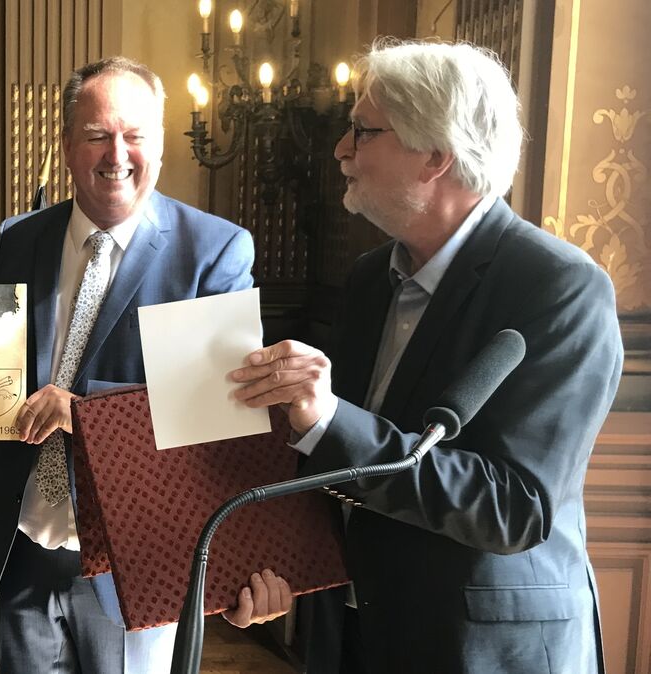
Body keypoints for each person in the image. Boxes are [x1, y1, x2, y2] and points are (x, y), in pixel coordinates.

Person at [230, 40, 623, 673]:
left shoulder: (558, 288)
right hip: (355, 636)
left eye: (362, 132)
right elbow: (342, 471)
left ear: (435, 155)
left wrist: (328, 418)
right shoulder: (366, 281)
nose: (340, 151)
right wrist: (265, 564)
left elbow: (513, 507)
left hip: (483, 650)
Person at [0, 56, 291, 674]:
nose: (116, 153)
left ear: (160, 143)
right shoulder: (19, 239)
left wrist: (87, 416)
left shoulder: (212, 253)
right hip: (21, 548)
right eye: (97, 134)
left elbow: (217, 420)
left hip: (136, 560)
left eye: (135, 135)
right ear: (68, 145)